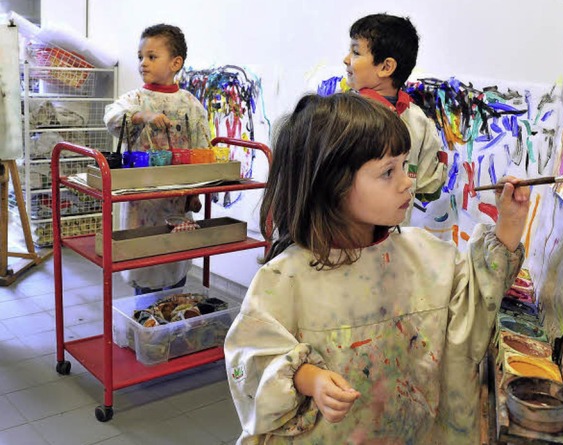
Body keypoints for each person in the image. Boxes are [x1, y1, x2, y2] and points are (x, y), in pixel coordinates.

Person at [224, 93, 530, 444]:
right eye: (388, 172)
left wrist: (508, 227)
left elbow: (472, 304)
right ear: (332, 184)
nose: (406, 183)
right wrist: (309, 378)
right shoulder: (286, 277)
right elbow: (250, 361)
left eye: (405, 166)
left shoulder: (423, 255)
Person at [103, 23, 210, 295]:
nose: (143, 63)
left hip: (178, 198)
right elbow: (112, 117)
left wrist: (197, 191)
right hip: (143, 201)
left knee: (176, 256)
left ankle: (169, 321)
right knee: (145, 258)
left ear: (176, 63)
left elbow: (202, 148)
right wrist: (142, 116)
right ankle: (145, 324)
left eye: (152, 56)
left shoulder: (191, 105)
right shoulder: (135, 98)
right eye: (140, 57)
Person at [343, 13, 448, 226]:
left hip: (386, 244)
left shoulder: (418, 122)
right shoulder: (340, 116)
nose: (346, 59)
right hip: (345, 241)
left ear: (386, 67)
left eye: (355, 52)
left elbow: (428, 189)